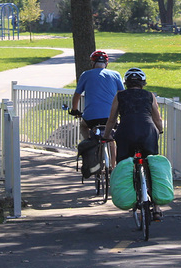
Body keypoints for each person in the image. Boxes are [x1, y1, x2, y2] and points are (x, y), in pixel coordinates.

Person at [104, 67, 164, 219]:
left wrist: (106, 135)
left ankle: (130, 197)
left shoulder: (120, 95)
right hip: (147, 132)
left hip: (126, 132)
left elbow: (112, 119)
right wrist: (160, 130)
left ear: (126, 83)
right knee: (151, 164)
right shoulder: (149, 95)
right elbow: (157, 118)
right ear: (143, 83)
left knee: (125, 165)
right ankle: (156, 207)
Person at [69, 50, 124, 141]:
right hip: (110, 116)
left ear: (92, 63)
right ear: (106, 63)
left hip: (91, 117)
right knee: (110, 138)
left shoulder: (85, 75)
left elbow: (77, 95)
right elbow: (122, 94)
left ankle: (89, 145)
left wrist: (74, 110)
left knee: (83, 126)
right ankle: (113, 155)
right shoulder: (116, 74)